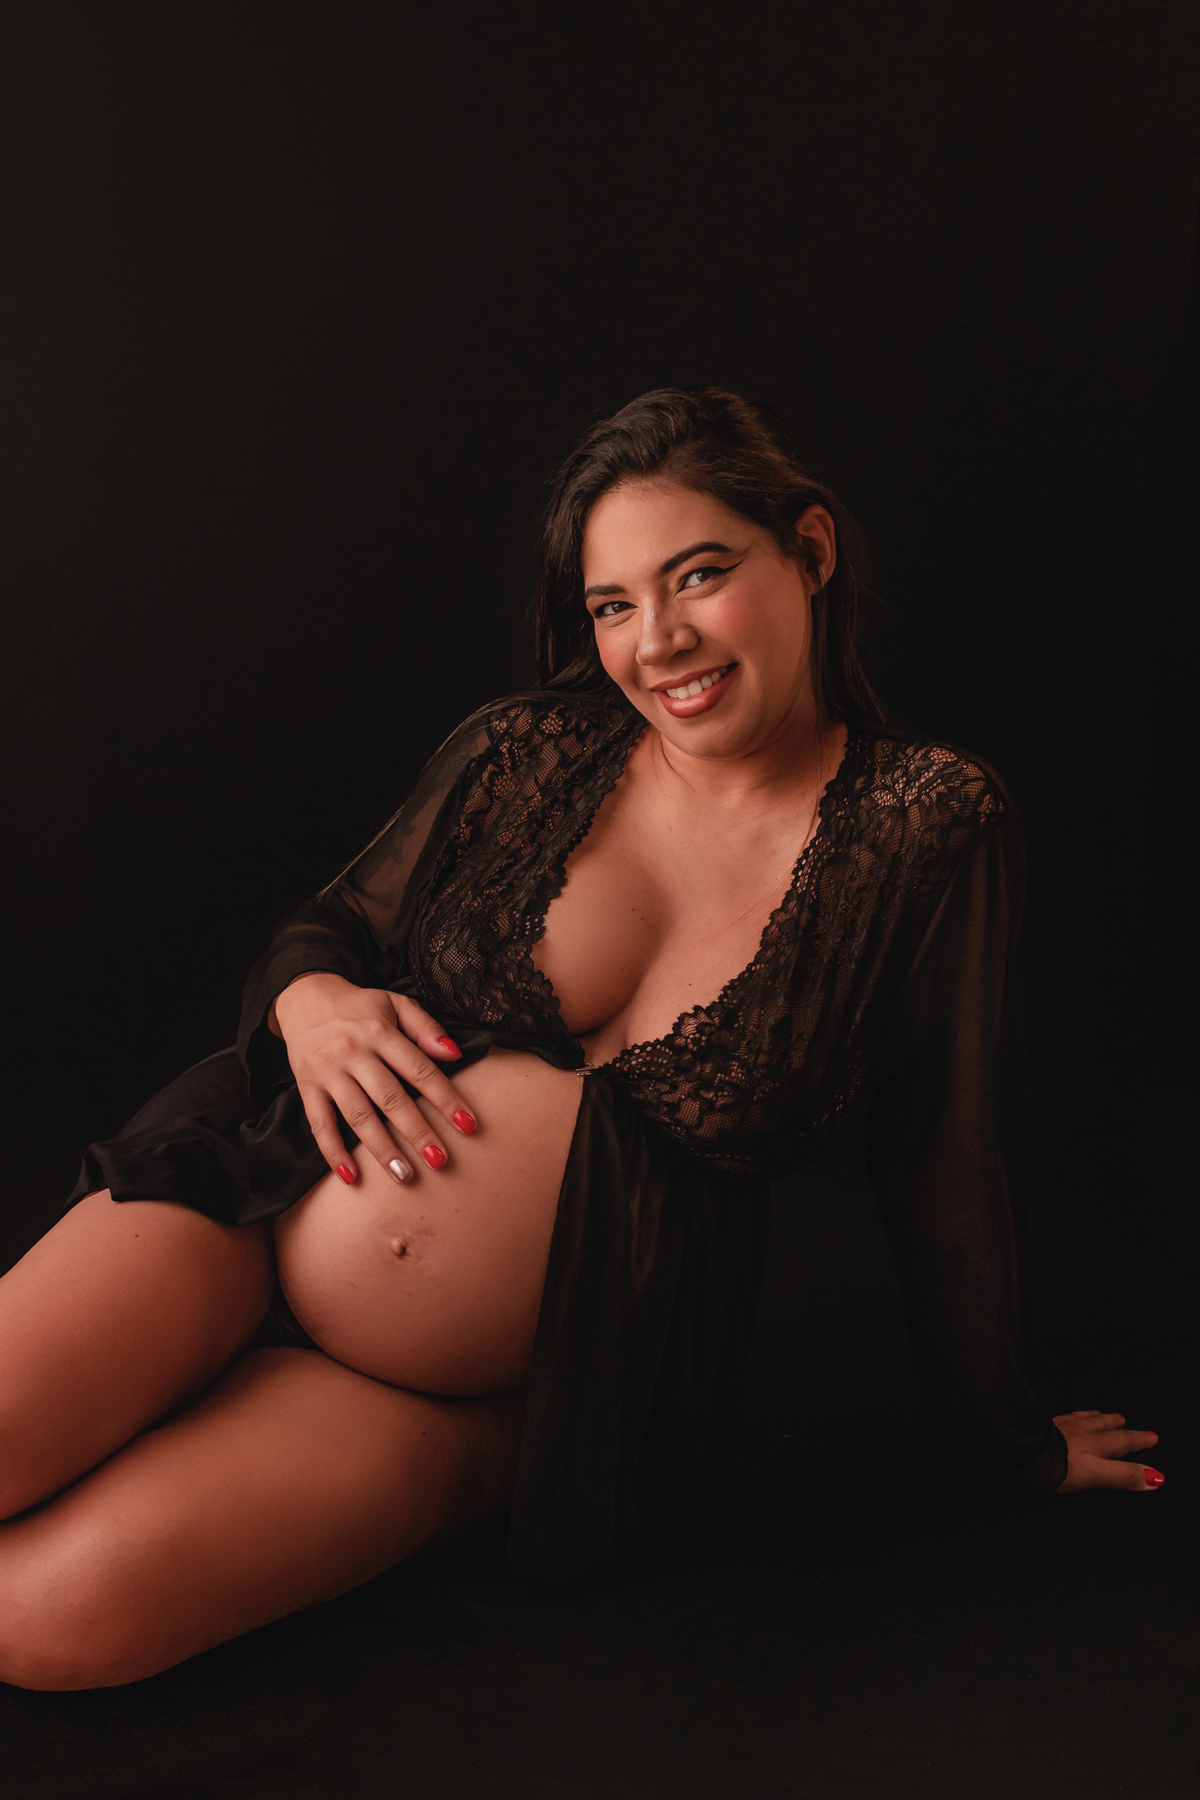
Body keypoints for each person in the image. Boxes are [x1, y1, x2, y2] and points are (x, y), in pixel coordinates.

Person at [0, 388, 1162, 1692]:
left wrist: (1007, 1438)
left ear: (810, 551)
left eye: (699, 575)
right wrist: (313, 1002)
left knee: (43, 1622)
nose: (656, 642)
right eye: (613, 605)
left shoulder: (925, 821)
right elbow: (331, 925)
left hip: (515, 1387)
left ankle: (496, 1470)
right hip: (255, 1194)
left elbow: (940, 1152)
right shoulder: (533, 746)